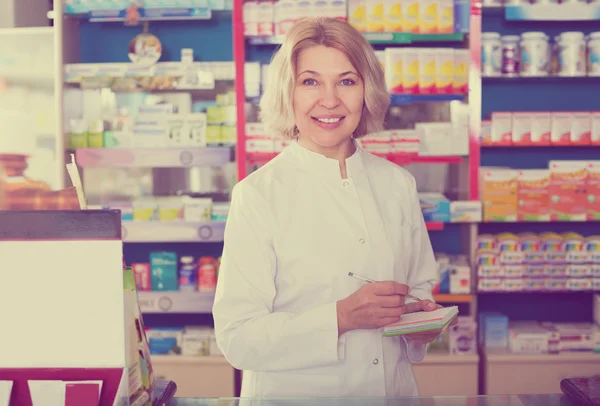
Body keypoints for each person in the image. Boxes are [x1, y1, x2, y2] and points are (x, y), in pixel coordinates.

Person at [212, 17, 456, 398]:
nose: (329, 100)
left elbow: (418, 287)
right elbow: (239, 338)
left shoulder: (398, 184)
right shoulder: (259, 194)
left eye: (347, 81)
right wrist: (339, 318)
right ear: (287, 93)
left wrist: (419, 320)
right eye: (310, 81)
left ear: (366, 91)